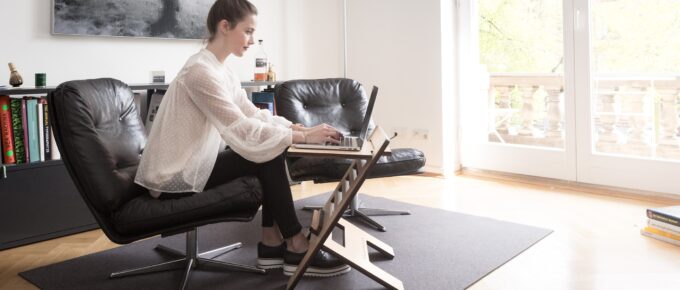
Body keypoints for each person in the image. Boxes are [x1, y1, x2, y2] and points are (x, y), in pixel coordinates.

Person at [134, 0, 350, 278]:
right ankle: (295, 243)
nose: (251, 40)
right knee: (268, 151)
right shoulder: (200, 71)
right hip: (172, 177)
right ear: (225, 26)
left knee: (270, 146)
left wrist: (303, 130)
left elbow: (252, 114)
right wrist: (298, 135)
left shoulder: (221, 71)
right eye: (248, 31)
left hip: (195, 164)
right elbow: (239, 128)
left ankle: (273, 244)